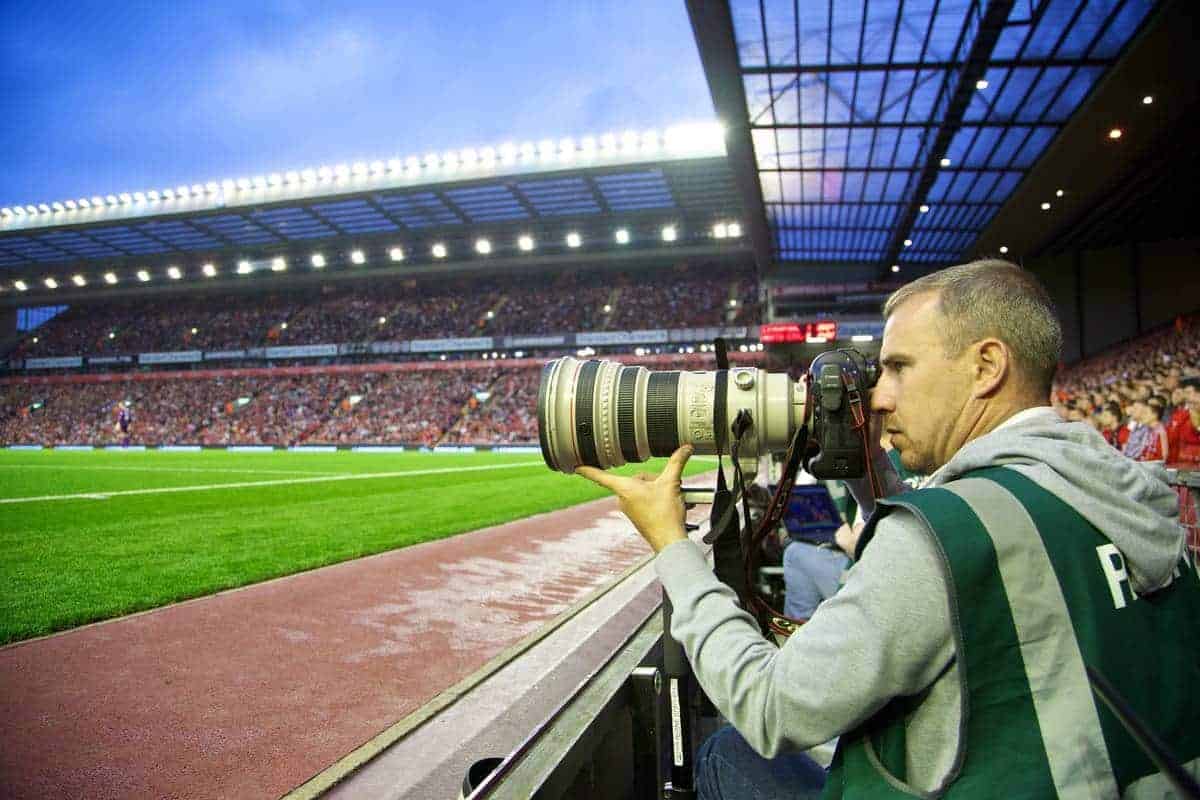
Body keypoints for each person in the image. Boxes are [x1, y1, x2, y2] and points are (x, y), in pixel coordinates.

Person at [576, 259, 1200, 798]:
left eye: (898, 367)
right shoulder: (1128, 493)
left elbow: (771, 708)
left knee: (729, 752)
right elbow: (982, 573)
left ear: (986, 366)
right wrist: (869, 473)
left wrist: (673, 549)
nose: (878, 397)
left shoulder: (944, 533)